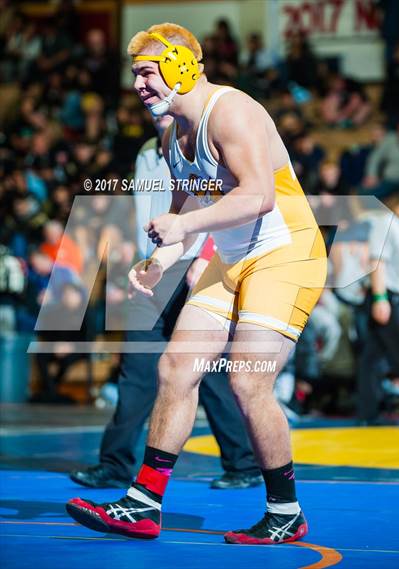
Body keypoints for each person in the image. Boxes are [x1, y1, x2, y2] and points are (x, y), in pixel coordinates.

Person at [67, 22, 326, 545]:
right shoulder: (171, 134)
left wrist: (183, 227)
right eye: (135, 74)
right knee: (176, 367)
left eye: (146, 73)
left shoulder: (231, 111)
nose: (138, 85)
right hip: (228, 259)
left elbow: (258, 196)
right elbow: (184, 209)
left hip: (284, 252)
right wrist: (160, 261)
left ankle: (285, 511)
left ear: (181, 66)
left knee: (247, 382)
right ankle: (143, 503)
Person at [69, 113, 262, 489]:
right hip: (156, 269)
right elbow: (148, 211)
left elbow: (225, 204)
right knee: (136, 371)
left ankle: (243, 464)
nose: (160, 114)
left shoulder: (208, 147)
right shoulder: (146, 154)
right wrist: (139, 260)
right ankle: (115, 464)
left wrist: (207, 257)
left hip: (199, 266)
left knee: (208, 372)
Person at [357, 184, 399, 422]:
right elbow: (378, 262)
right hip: (385, 299)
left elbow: (395, 266)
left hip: (392, 296)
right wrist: (380, 298)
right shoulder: (387, 222)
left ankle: (367, 414)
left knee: (372, 360)